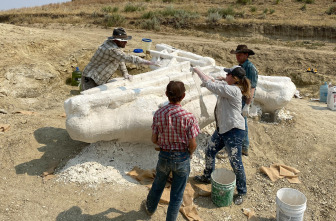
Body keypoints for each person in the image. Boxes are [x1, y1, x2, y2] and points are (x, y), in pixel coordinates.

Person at [192, 66, 251, 205]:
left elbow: (210, 84)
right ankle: (207, 176)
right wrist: (219, 79)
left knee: (235, 162)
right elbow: (215, 82)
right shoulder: (229, 85)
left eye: (228, 74)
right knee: (209, 151)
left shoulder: (233, 90)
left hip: (234, 130)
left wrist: (198, 70)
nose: (226, 75)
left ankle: (242, 191)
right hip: (222, 128)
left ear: (234, 78)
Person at [143, 81, 200, 221]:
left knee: (158, 183)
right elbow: (193, 144)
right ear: (183, 95)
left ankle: (150, 208)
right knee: (177, 194)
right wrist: (189, 153)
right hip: (182, 158)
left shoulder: (158, 114)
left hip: (164, 155)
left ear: (166, 94)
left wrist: (163, 142)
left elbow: (154, 139)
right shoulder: (189, 117)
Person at [81, 27, 157, 91]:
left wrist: (125, 74)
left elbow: (120, 59)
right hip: (90, 79)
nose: (126, 42)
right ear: (116, 40)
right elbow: (127, 58)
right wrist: (147, 62)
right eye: (123, 41)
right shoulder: (111, 49)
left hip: (98, 78)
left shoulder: (113, 46)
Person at [229, 45, 258, 156]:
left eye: (240, 55)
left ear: (246, 55)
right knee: (238, 122)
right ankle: (240, 145)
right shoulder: (240, 66)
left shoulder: (250, 68)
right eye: (237, 55)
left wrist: (247, 105)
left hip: (244, 99)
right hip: (238, 97)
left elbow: (252, 87)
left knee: (242, 123)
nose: (237, 57)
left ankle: (244, 147)